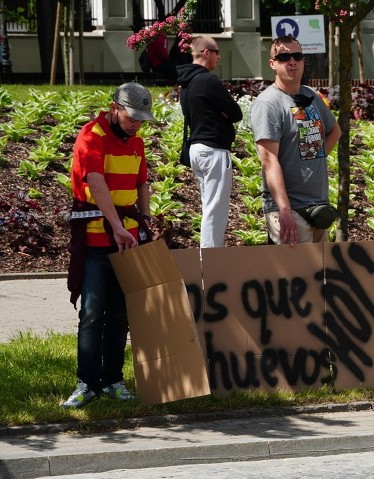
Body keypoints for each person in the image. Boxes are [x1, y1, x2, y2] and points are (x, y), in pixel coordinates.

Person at [63, 82, 156, 408]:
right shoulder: (92, 136)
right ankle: (86, 383)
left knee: (119, 315)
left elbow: (142, 182)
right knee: (91, 314)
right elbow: (96, 182)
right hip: (96, 240)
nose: (136, 124)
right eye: (132, 117)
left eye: (142, 119)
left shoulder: (137, 142)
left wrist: (144, 222)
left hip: (127, 240)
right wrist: (117, 227)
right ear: (115, 107)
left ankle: (113, 380)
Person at [250, 35, 342, 245]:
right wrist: (284, 210)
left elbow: (335, 131)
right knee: (296, 276)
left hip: (318, 204)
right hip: (289, 209)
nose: (292, 62)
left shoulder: (310, 96)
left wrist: (315, 158)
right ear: (273, 64)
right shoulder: (268, 104)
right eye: (284, 57)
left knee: (319, 275)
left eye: (297, 56)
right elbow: (269, 161)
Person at [177, 35, 243, 248]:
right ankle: (210, 261)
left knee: (209, 207)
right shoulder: (208, 80)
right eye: (216, 52)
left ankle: (208, 258)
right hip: (213, 150)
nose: (219, 57)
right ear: (206, 52)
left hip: (196, 149)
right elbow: (235, 113)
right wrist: (222, 113)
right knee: (216, 209)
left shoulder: (186, 83)